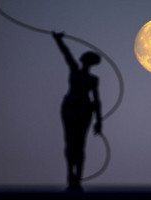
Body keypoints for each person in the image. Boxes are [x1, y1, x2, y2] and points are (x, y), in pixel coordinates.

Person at [52, 32, 102, 191]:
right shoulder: (74, 70)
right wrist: (58, 40)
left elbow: (97, 100)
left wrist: (99, 121)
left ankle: (77, 179)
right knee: (69, 142)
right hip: (70, 107)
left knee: (80, 144)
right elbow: (66, 54)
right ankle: (70, 178)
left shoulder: (93, 79)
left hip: (84, 109)